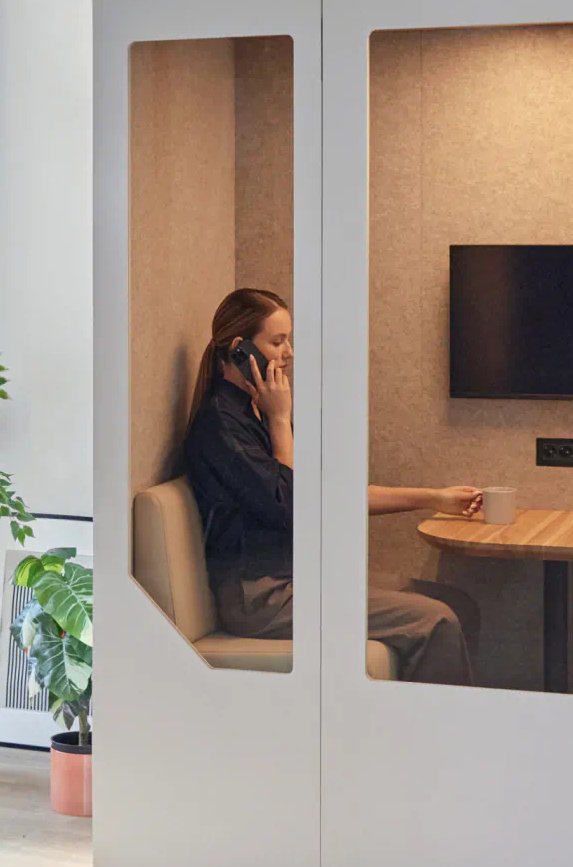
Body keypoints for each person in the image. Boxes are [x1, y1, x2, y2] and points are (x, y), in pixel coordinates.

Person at [183, 287, 481, 683]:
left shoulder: (257, 408)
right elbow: (294, 508)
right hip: (261, 595)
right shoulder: (222, 425)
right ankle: (427, 724)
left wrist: (435, 498)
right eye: (277, 341)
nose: (289, 353)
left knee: (459, 603)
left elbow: (327, 494)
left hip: (297, 575)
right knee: (438, 620)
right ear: (241, 350)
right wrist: (280, 421)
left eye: (289, 340)